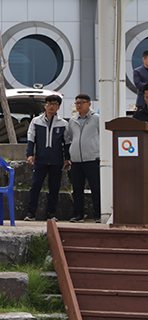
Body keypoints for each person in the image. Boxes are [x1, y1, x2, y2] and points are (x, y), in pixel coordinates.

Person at [25, 95, 69, 222]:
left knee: (54, 187)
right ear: (45, 105)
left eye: (55, 104)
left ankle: (51, 213)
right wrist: (30, 154)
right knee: (35, 186)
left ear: (58, 107)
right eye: (49, 103)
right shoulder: (36, 121)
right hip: (40, 159)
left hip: (56, 160)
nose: (51, 106)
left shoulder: (63, 124)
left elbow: (66, 142)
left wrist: (67, 158)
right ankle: (31, 212)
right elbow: (31, 139)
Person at [66, 93, 100, 223]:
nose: (79, 105)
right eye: (77, 103)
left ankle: (98, 214)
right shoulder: (72, 120)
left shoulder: (96, 118)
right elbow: (70, 137)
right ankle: (78, 214)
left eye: (82, 102)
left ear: (89, 104)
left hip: (92, 158)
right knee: (77, 189)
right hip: (76, 160)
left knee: (95, 188)